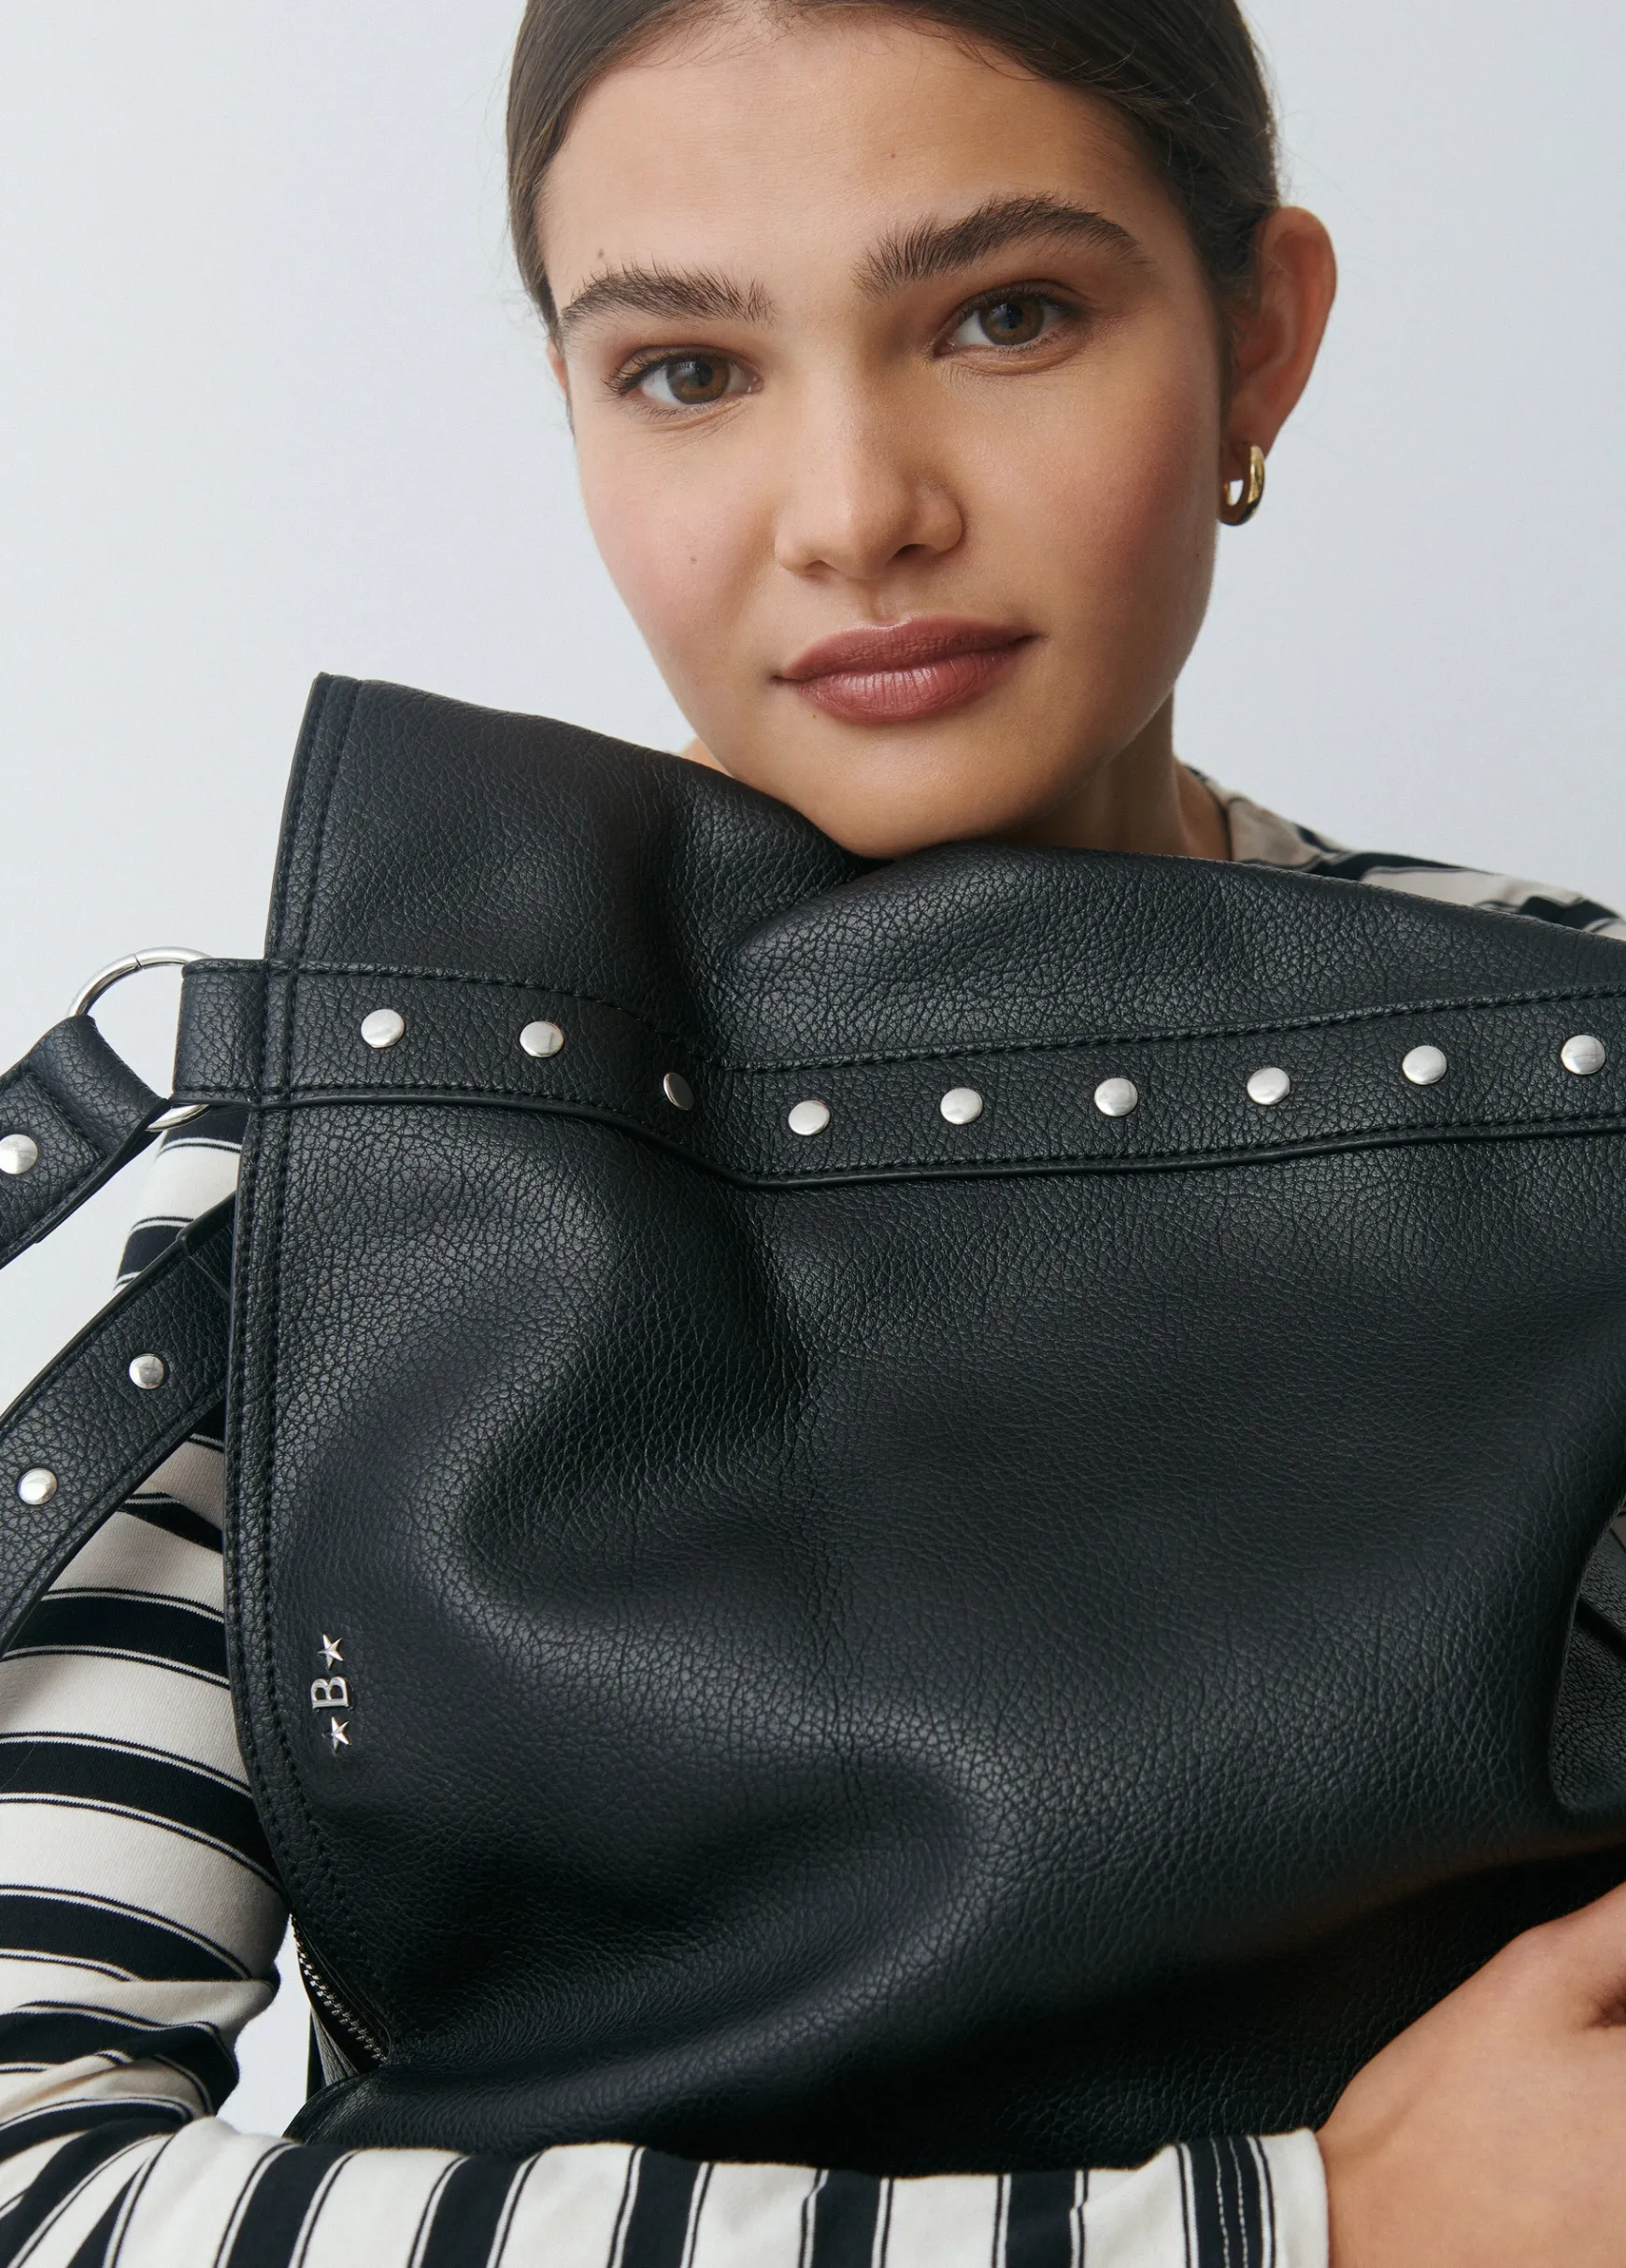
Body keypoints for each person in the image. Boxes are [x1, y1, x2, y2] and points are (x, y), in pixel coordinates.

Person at [4, 4, 1625, 2263]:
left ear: (1259, 337)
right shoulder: (332, 1161)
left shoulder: (1564, 1070)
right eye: (687, 369)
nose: (858, 511)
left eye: (1007, 316)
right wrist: (1294, 2227)